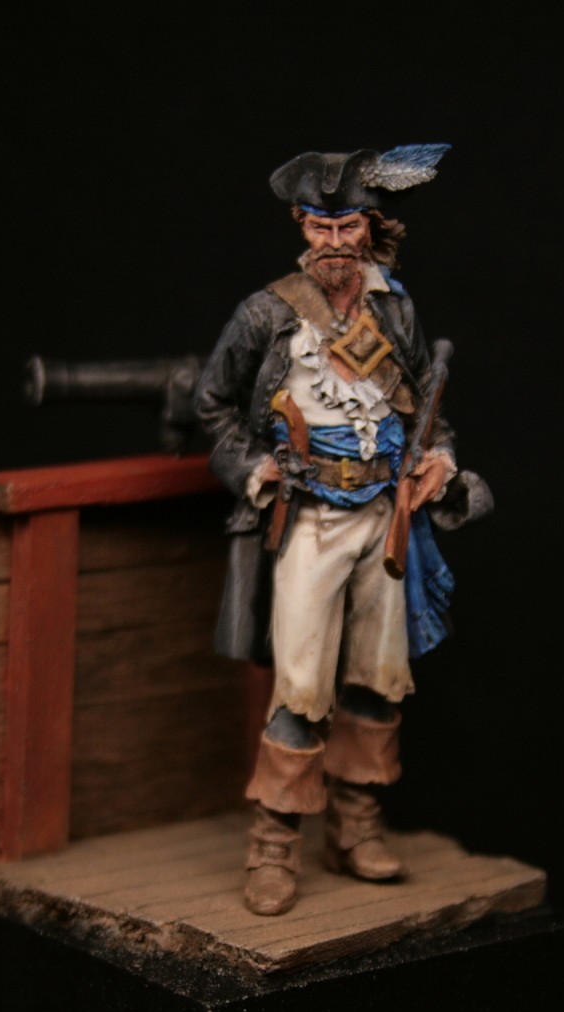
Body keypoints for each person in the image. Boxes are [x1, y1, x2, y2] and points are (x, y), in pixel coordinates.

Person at [194, 145, 491, 915]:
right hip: (311, 517)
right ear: (303, 225)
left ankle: (356, 823)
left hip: (384, 511)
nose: (333, 242)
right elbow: (213, 406)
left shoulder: (396, 310)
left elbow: (425, 408)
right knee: (300, 684)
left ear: (369, 228)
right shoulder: (268, 313)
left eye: (347, 226)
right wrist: (255, 468)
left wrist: (438, 459)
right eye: (320, 227)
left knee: (377, 676)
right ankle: (274, 841)